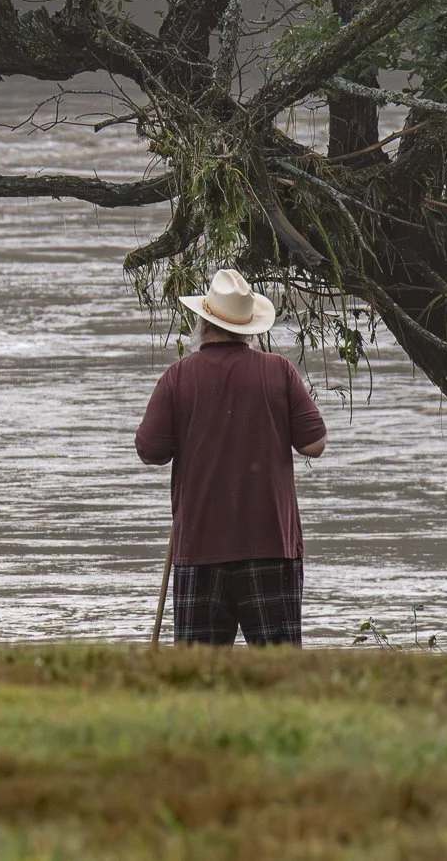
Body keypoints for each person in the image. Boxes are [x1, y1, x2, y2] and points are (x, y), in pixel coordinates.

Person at [134, 268, 328, 646]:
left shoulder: (178, 377)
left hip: (200, 550)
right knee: (279, 677)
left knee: (198, 682)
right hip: (271, 546)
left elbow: (149, 452)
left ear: (202, 323)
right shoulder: (279, 372)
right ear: (248, 328)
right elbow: (314, 444)